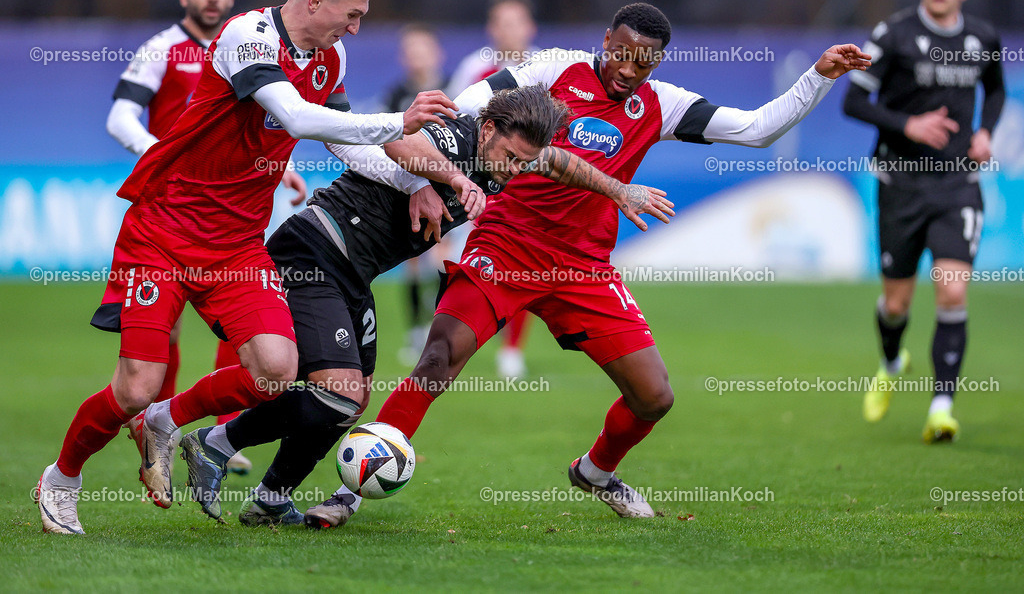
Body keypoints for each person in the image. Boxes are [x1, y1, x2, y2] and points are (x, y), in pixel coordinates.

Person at [332, 2, 869, 520]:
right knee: (438, 359)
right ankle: (351, 490)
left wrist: (819, 75)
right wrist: (428, 177)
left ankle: (595, 471)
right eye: (623, 54)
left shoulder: (663, 104)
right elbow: (464, 110)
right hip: (506, 243)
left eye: (646, 61)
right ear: (606, 42)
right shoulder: (549, 69)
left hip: (583, 266)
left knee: (654, 397)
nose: (630, 70)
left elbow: (757, 129)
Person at [35, 0, 462, 535]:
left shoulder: (328, 56)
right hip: (163, 231)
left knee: (276, 369)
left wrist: (415, 178)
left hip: (236, 245)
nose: (356, 28)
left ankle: (169, 420)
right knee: (135, 385)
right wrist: (398, 122)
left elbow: (346, 143)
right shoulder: (249, 36)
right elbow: (297, 118)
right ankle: (62, 478)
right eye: (353, 14)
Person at [177, 84, 674, 526]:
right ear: (487, 128)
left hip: (354, 272)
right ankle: (202, 436)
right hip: (317, 250)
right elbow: (379, 140)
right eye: (512, 157)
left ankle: (269, 498)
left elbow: (562, 162)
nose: (516, 169)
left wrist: (618, 189)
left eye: (525, 162)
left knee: (348, 400)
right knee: (334, 390)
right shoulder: (451, 139)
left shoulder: (511, 154)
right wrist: (430, 184)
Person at [106, 0, 303, 477]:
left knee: (244, 328)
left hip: (231, 210)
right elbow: (120, 117)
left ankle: (219, 429)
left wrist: (273, 165)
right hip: (170, 209)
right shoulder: (163, 49)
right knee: (160, 340)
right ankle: (151, 431)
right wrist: (161, 155)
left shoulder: (253, 44)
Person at [843, 0, 1004, 443]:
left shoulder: (983, 38)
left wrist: (985, 132)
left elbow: (995, 89)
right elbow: (853, 100)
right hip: (901, 184)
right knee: (896, 304)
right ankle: (892, 359)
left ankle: (941, 405)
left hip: (957, 185)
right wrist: (907, 124)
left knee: (952, 290)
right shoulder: (893, 35)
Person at [447, 0, 539, 378]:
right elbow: (452, 117)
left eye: (516, 22)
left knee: (527, 266)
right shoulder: (475, 69)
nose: (509, 30)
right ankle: (451, 338)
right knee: (473, 264)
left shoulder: (545, 68)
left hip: (530, 187)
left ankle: (512, 348)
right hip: (480, 183)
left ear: (530, 28)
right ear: (491, 29)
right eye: (502, 23)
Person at [381, 24, 451, 364]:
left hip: (446, 183)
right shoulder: (397, 95)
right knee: (410, 261)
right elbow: (386, 138)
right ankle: (414, 332)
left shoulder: (455, 88)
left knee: (442, 257)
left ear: (437, 53)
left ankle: (439, 335)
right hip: (407, 185)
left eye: (422, 49)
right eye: (410, 50)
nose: (416, 57)